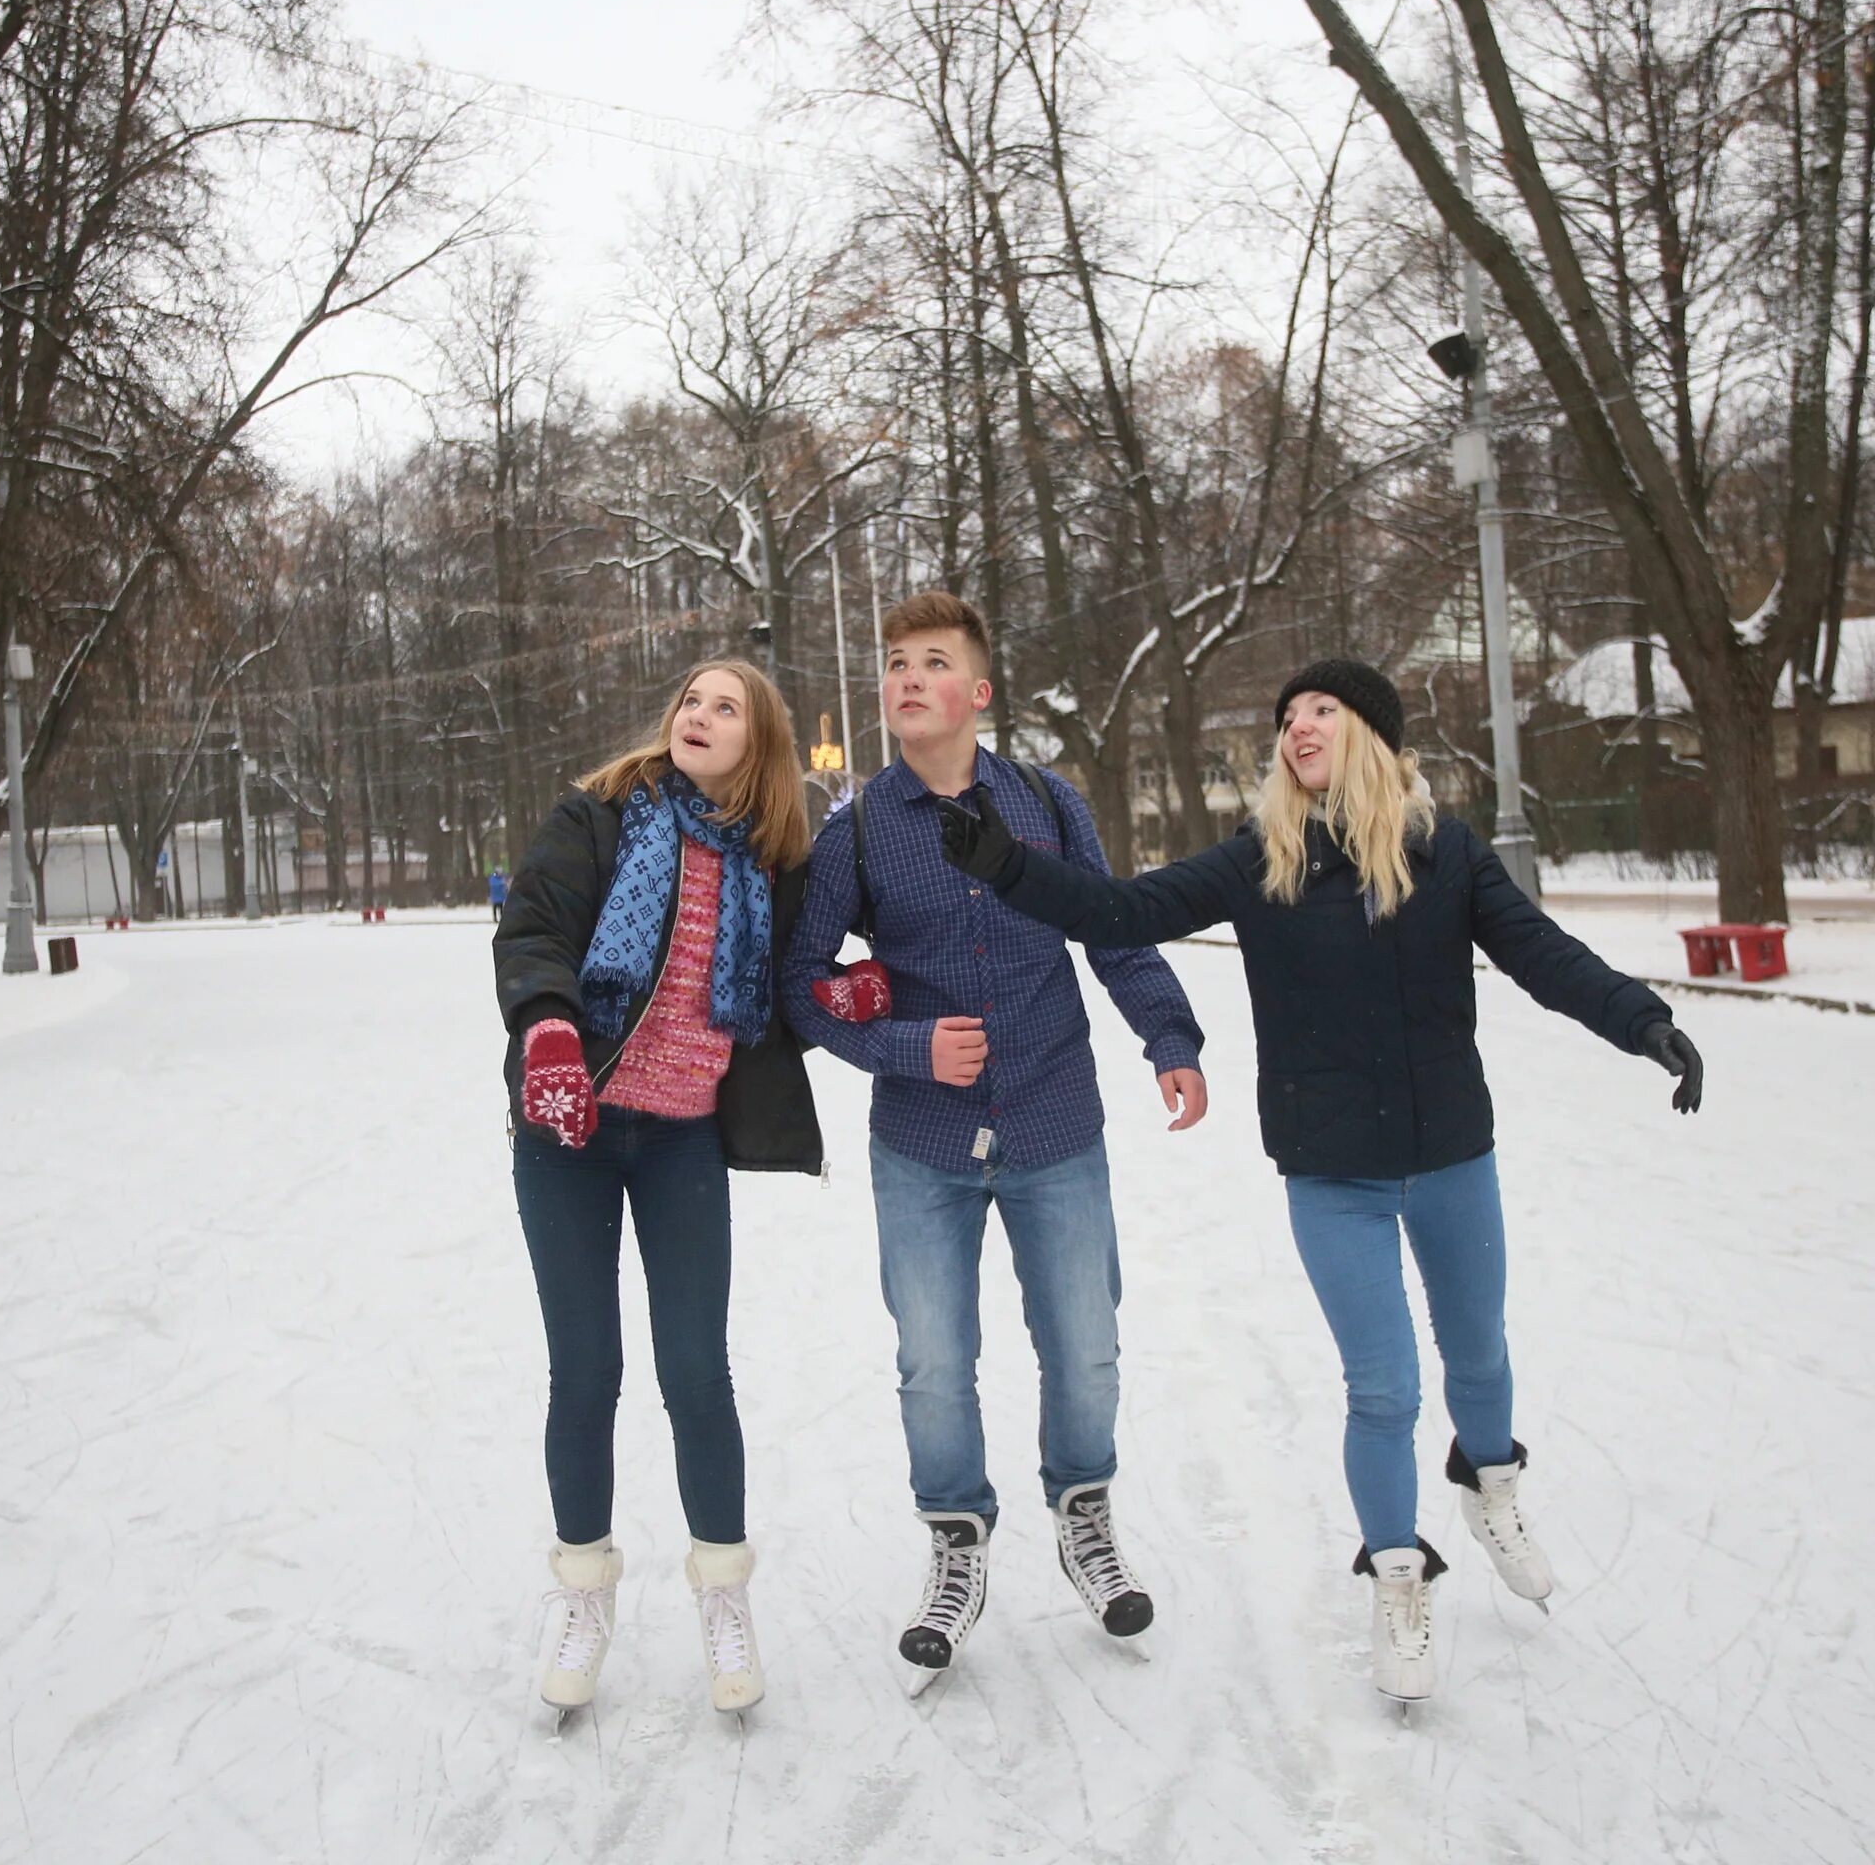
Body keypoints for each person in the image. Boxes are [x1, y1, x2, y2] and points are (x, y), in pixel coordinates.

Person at [931, 658, 1704, 1704]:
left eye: (1322, 711)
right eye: (1288, 714)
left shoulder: (1447, 855)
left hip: (1449, 1156)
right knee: (1384, 1383)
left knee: (1479, 1354)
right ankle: (1397, 1572)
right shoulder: (1263, 861)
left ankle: (1492, 1481)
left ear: (1371, 735)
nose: (1299, 727)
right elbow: (1122, 910)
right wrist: (1009, 867)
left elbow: (1546, 954)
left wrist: (1644, 1021)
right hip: (1332, 1167)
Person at [780, 592, 1208, 1678]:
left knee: (1087, 1346)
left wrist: (1170, 1034)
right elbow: (799, 984)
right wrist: (906, 1047)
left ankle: (1084, 1514)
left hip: (1056, 1118)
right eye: (894, 662)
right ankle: (956, 1540)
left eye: (933, 661)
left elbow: (1114, 932)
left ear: (977, 692)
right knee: (934, 1363)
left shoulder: (1049, 805)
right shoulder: (859, 830)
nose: (907, 676)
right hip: (922, 1142)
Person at [492, 657, 885, 1721]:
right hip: (570, 1120)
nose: (698, 716)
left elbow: (786, 990)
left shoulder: (771, 862)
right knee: (586, 1368)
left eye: (727, 706)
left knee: (696, 1373)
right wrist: (550, 1031)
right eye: (690, 700)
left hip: (679, 1143)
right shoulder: (600, 816)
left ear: (759, 744)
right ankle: (583, 1593)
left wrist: (840, 991)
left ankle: (723, 1591)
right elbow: (531, 932)